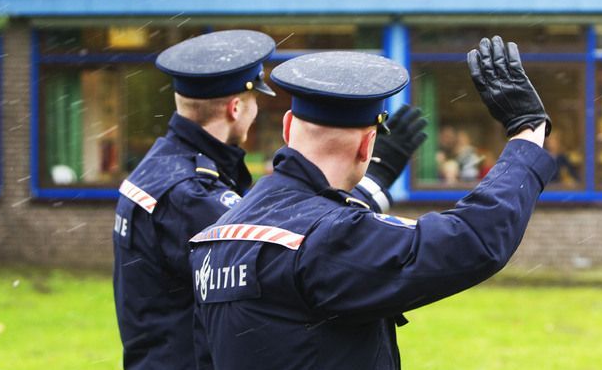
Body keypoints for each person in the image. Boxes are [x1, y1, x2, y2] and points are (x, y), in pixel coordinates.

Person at [188, 37, 556, 370]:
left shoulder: (216, 236)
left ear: (288, 128)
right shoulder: (326, 238)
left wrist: (375, 182)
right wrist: (527, 135)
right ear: (367, 145)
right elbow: (472, 240)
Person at [113, 31, 426, 370]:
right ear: (235, 108)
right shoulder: (191, 192)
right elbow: (284, 241)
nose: (256, 110)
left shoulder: (162, 167)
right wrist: (373, 181)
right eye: (253, 101)